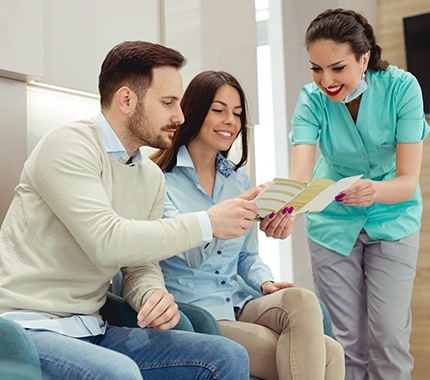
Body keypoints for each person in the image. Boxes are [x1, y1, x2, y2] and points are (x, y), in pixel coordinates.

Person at [0, 41, 261, 380]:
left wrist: (152, 295)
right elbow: (107, 240)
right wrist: (208, 223)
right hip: (28, 328)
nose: (180, 117)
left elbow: (139, 265)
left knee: (226, 356)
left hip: (94, 327)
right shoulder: (68, 146)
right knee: (119, 372)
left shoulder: (149, 176)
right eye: (168, 103)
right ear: (127, 100)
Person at [152, 70, 345, 380]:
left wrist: (266, 283)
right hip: (200, 313)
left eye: (237, 113)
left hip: (239, 302)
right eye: (219, 110)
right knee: (328, 355)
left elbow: (247, 256)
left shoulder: (237, 178)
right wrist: (227, 214)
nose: (230, 120)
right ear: (194, 111)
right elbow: (190, 254)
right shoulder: (159, 181)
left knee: (303, 301)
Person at [289, 8, 430, 380]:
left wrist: (372, 191)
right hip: (332, 224)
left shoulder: (402, 89)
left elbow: (407, 182)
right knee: (344, 343)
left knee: (388, 338)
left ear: (363, 57)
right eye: (316, 69)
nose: (326, 81)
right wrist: (285, 208)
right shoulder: (311, 99)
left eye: (337, 68)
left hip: (392, 218)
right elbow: (300, 176)